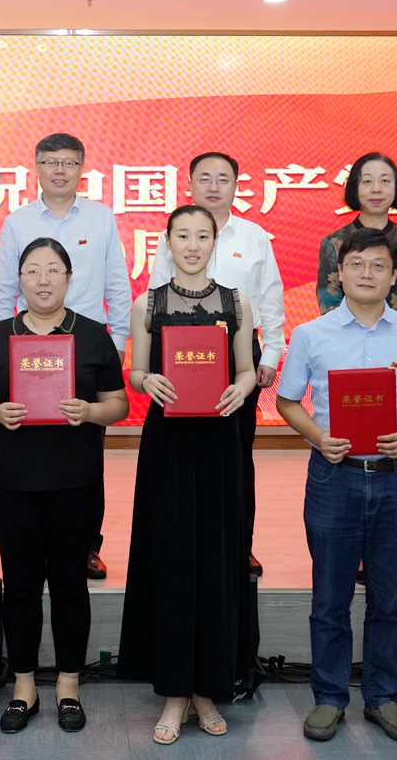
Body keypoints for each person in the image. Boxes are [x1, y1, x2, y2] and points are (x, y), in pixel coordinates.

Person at [277, 227, 397, 745]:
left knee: (389, 597)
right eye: (357, 264)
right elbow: (287, 401)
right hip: (335, 477)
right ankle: (329, 698)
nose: (367, 273)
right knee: (329, 597)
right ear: (339, 273)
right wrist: (319, 437)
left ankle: (382, 697)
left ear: (395, 275)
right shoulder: (311, 334)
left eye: (379, 265)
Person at [0, 237, 128, 734]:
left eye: (53, 270)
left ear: (69, 278)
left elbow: (118, 405)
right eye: (32, 270)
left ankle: (68, 685)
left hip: (75, 481)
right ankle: (24, 686)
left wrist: (90, 411)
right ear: (19, 280)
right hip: (13, 481)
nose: (42, 279)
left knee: (70, 585)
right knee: (20, 587)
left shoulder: (93, 335)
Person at [116, 205, 259, 745]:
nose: (193, 245)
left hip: (220, 439)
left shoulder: (235, 302)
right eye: (183, 236)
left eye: (203, 236)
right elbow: (136, 371)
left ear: (214, 242)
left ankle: (208, 690)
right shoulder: (147, 303)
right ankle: (176, 693)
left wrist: (241, 387)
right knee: (172, 558)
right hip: (169, 445)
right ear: (168, 242)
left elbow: (246, 370)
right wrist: (145, 381)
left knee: (217, 558)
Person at [0, 132, 131, 579]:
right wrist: (5, 348)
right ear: (36, 167)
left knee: (87, 445)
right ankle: (33, 540)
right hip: (28, 346)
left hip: (86, 347)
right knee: (29, 440)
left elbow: (117, 283)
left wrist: (118, 343)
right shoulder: (17, 221)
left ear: (81, 169)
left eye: (68, 163)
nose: (59, 171)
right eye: (50, 162)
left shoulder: (100, 217)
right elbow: (3, 291)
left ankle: (86, 545)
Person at [150, 151, 286, 574]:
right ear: (190, 183)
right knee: (183, 454)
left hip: (239, 357)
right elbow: (157, 295)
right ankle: (185, 541)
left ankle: (239, 544)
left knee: (236, 455)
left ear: (235, 186)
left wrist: (272, 353)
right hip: (182, 352)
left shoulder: (254, 236)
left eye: (222, 178)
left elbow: (271, 296)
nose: (213, 186)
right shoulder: (172, 235)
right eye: (204, 178)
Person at [316, 152, 397, 323]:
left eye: (385, 181)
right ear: (354, 188)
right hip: (350, 337)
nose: (376, 189)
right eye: (367, 181)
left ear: (396, 188)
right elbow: (329, 304)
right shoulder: (334, 242)